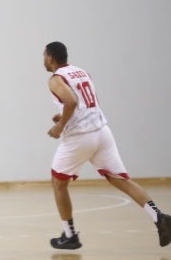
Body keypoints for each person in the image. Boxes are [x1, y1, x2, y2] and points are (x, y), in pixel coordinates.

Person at [43, 42, 171, 249]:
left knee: (58, 183)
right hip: (102, 132)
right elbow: (86, 102)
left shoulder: (55, 79)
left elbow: (72, 101)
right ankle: (159, 217)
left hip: (80, 137)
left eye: (44, 56)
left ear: (50, 58)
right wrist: (65, 116)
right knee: (122, 180)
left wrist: (60, 127)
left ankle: (69, 236)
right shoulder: (81, 72)